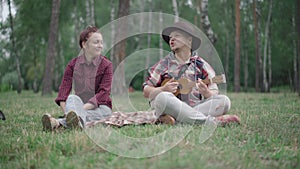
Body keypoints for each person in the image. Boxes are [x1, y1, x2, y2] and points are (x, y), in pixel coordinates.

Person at [143, 21, 240, 126]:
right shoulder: (163, 64)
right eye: (170, 37)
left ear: (189, 41)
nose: (172, 39)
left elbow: (213, 93)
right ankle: (210, 122)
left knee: (224, 101)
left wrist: (207, 93)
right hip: (169, 107)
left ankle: (177, 121)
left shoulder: (201, 65)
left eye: (177, 35)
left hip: (195, 108)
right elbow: (146, 91)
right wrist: (163, 89)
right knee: (163, 98)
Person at [42, 26, 113, 131]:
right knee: (71, 98)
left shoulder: (107, 65)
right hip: (78, 104)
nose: (100, 46)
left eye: (101, 42)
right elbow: (63, 93)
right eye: (96, 42)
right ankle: (75, 122)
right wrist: (68, 112)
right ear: (84, 44)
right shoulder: (73, 65)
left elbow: (103, 94)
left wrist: (78, 111)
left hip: (101, 107)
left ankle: (57, 123)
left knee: (103, 113)